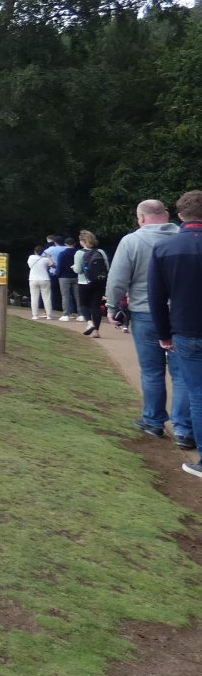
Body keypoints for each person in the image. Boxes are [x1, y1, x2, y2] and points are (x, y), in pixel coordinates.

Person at [107, 198, 189, 446]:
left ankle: (153, 421)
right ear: (166, 214)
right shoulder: (182, 237)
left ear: (141, 217)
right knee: (182, 373)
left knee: (152, 370)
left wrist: (112, 307)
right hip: (181, 314)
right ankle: (184, 429)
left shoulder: (132, 241)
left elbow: (118, 278)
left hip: (145, 312)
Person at [150, 190, 202, 472]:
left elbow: (157, 298)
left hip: (187, 330)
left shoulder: (164, 249)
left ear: (180, 215)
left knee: (198, 394)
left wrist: (164, 334)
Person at [73, 229, 110, 336]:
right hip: (99, 282)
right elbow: (107, 267)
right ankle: (96, 331)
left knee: (83, 305)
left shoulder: (79, 253)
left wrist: (73, 267)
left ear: (83, 241)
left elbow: (78, 270)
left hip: (84, 282)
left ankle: (89, 323)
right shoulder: (101, 252)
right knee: (95, 306)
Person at [27, 245, 54, 320]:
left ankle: (35, 315)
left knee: (34, 298)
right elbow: (54, 265)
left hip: (33, 279)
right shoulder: (45, 259)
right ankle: (49, 315)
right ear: (42, 252)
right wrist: (49, 257)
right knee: (47, 298)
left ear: (35, 251)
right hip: (45, 279)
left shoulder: (30, 257)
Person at [57, 236, 80, 321]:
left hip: (64, 277)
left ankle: (66, 314)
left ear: (65, 244)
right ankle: (81, 314)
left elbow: (60, 266)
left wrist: (58, 275)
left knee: (65, 296)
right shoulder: (78, 252)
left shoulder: (62, 254)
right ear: (74, 244)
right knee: (78, 296)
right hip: (76, 276)